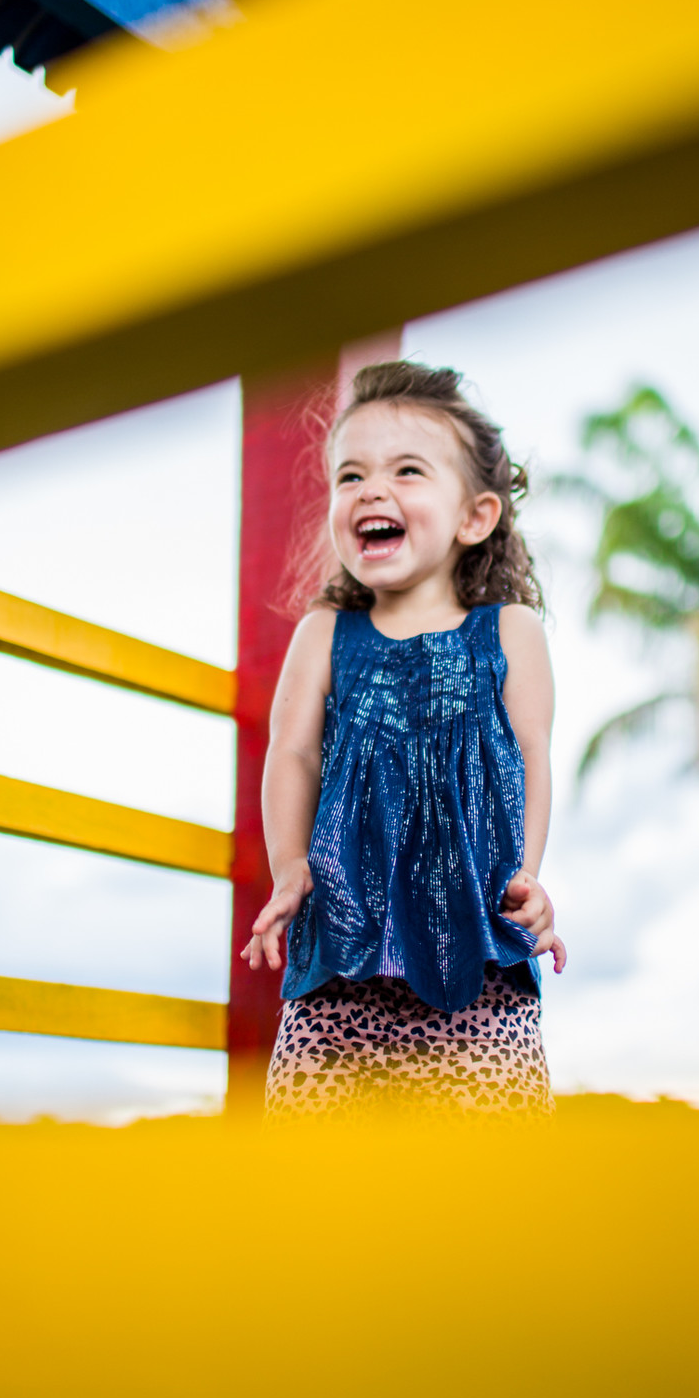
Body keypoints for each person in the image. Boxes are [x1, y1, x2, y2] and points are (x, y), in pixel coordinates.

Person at [242, 360, 566, 1116]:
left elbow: (529, 758)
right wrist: (290, 864)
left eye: (407, 471)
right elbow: (290, 752)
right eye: (348, 477)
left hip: (477, 970)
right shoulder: (325, 634)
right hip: (340, 975)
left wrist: (527, 874)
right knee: (319, 1182)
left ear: (475, 517)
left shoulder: (509, 631)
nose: (370, 492)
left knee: (491, 1183)